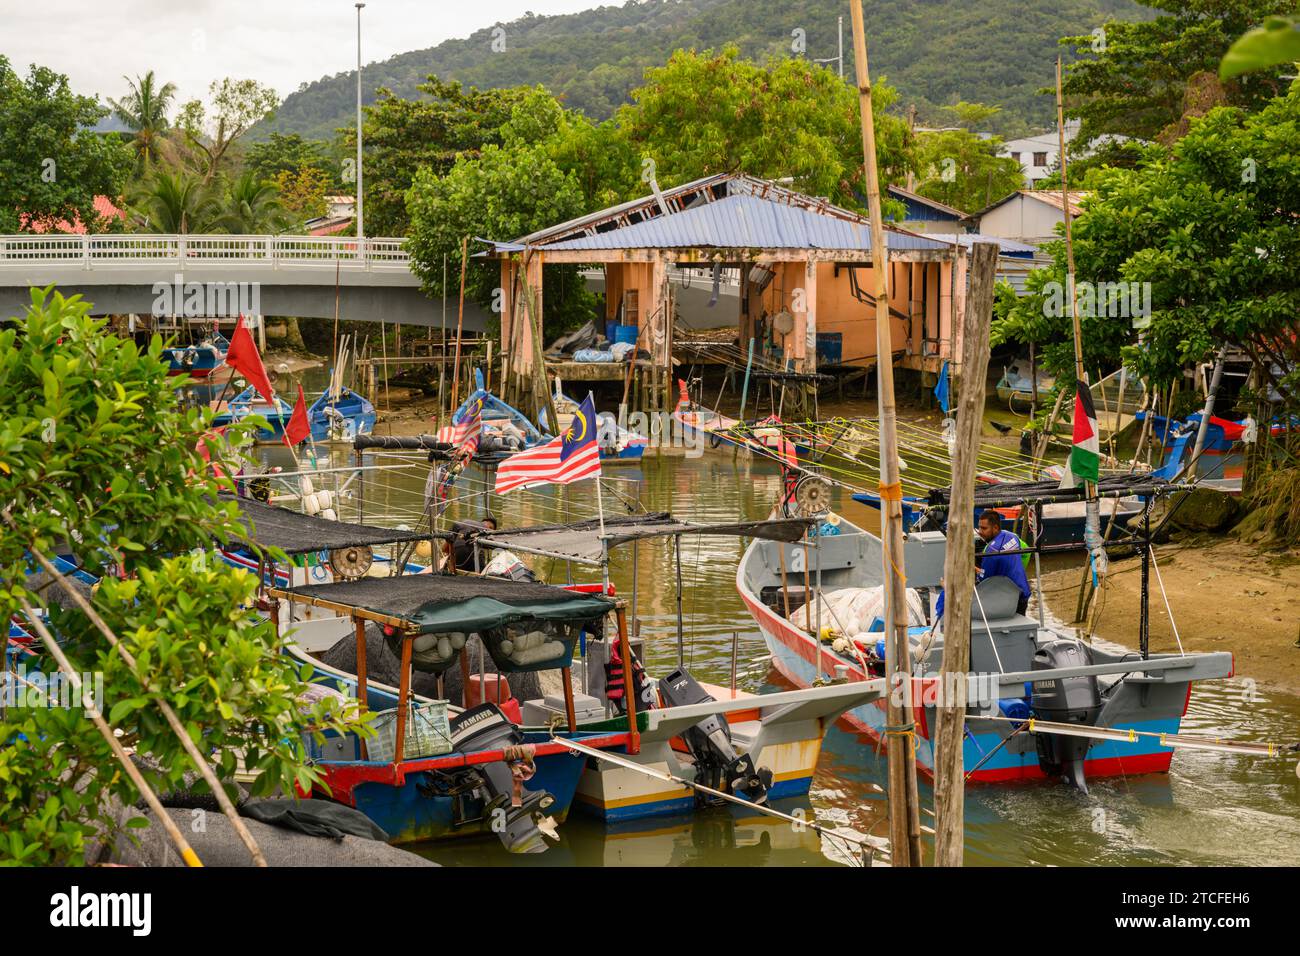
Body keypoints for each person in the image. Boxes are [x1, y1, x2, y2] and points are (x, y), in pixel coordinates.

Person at [975, 509, 1032, 615]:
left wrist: (973, 568)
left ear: (995, 527)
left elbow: (984, 580)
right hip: (1023, 591)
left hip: (1009, 599)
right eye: (979, 527)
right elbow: (1027, 552)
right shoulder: (1012, 536)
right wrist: (1016, 571)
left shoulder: (991, 551)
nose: (980, 531)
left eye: (984, 528)